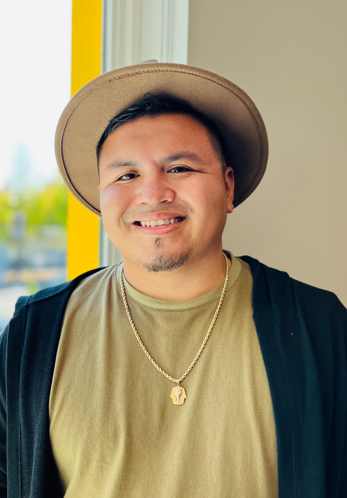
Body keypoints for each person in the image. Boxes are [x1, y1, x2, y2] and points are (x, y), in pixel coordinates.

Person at [0, 62, 346, 498]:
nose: (153, 194)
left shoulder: (319, 326)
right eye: (126, 175)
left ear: (228, 187)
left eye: (179, 168)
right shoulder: (35, 335)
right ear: (102, 200)